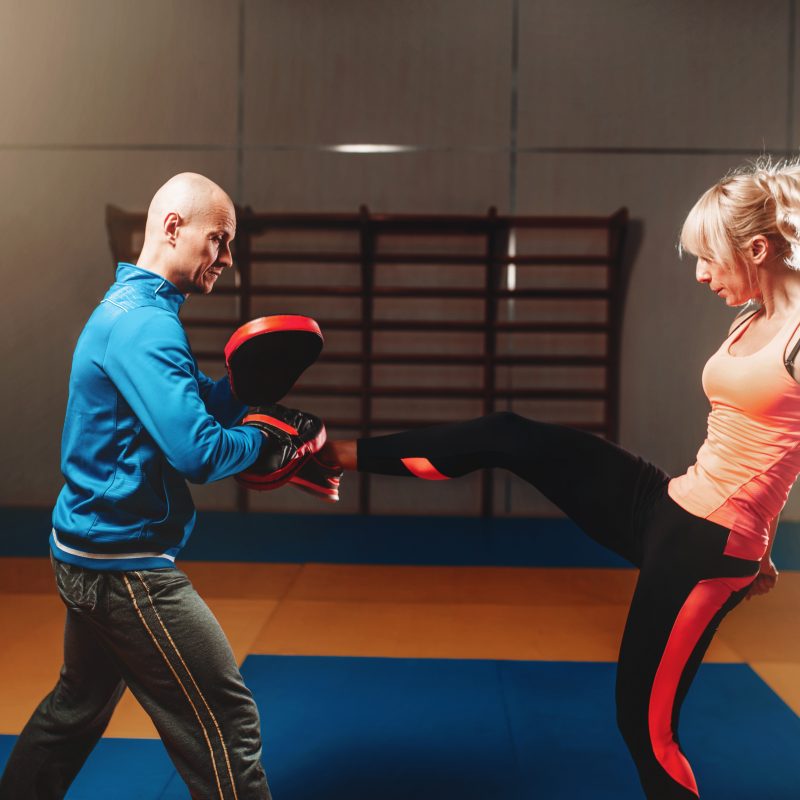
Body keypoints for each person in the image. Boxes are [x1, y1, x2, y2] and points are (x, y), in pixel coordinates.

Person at [315, 160, 800, 798]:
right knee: (509, 433)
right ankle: (327, 455)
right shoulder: (752, 314)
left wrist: (755, 544)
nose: (701, 274)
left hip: (705, 543)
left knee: (645, 729)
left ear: (758, 249)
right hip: (670, 506)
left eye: (709, 258)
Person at [0, 173, 321, 799]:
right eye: (219, 240)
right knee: (229, 726)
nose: (227, 259)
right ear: (173, 227)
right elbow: (197, 451)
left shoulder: (132, 307)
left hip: (88, 553)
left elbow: (188, 401)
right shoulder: (147, 327)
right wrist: (268, 439)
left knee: (76, 709)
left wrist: (243, 396)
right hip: (126, 571)